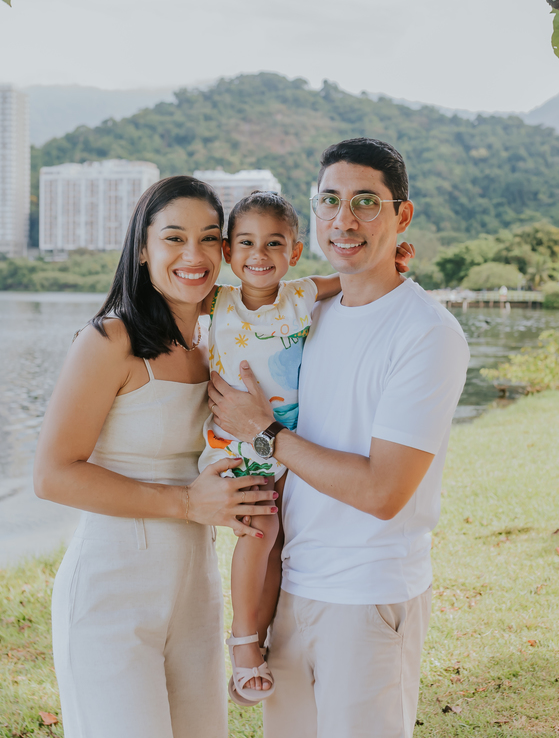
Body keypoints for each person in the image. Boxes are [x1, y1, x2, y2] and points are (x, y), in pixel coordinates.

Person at [208, 138, 470, 738]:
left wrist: (265, 429)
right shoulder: (309, 316)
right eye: (330, 201)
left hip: (369, 596)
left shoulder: (426, 333)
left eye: (366, 203)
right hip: (295, 587)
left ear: (402, 215)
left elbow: (383, 491)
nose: (344, 220)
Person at [32, 176, 279, 738]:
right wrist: (189, 503)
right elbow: (52, 475)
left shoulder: (221, 339)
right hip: (112, 593)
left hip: (194, 591)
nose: (194, 256)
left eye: (211, 239)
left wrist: (381, 267)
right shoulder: (108, 341)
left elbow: (299, 291)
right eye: (174, 238)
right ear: (143, 250)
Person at [199, 191, 414, 706]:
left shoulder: (300, 295)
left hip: (286, 443)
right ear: (228, 252)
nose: (260, 255)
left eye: (275, 244)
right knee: (262, 531)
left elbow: (358, 276)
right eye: (246, 243)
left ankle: (263, 632)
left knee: (281, 536)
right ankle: (243, 642)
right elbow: (158, 301)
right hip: (236, 440)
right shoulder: (216, 301)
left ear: (295, 252)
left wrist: (394, 258)